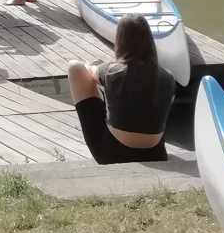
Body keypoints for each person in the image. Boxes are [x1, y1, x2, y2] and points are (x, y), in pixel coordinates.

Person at [66, 14, 176, 164]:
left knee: (75, 67)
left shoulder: (112, 71)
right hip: (156, 153)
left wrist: (89, 65)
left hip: (112, 154)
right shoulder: (168, 77)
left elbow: (89, 72)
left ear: (120, 40)